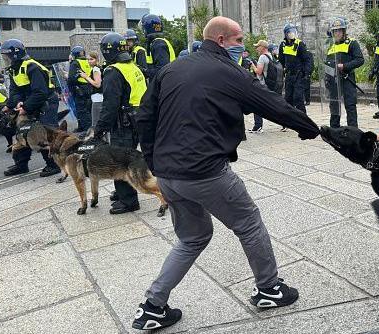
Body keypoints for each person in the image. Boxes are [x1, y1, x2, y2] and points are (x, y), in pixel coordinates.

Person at [133, 16, 319, 330]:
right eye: (237, 41)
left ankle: (153, 306)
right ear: (221, 40)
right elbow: (271, 103)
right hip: (205, 172)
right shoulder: (230, 71)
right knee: (248, 221)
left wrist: (156, 164)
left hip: (168, 173)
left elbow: (145, 117)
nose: (242, 47)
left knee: (192, 238)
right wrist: (310, 127)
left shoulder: (170, 69)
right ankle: (269, 288)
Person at [92, 33, 147, 215]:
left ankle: (128, 201)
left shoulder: (113, 71)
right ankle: (124, 190)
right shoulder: (133, 67)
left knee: (120, 162)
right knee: (132, 157)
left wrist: (99, 129)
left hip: (123, 122)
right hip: (139, 118)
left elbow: (110, 105)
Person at [0, 39, 61, 177]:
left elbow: (40, 92)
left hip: (46, 103)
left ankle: (53, 165)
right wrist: (12, 104)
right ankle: (21, 165)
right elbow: (15, 91)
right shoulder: (14, 70)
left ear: (15, 54)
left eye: (7, 56)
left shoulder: (32, 67)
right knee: (22, 133)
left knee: (45, 134)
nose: (6, 59)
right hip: (31, 102)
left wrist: (25, 107)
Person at [325, 16, 365, 128]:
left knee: (350, 106)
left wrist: (345, 66)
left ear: (344, 31)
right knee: (334, 105)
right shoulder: (331, 46)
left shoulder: (352, 43)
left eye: (340, 30)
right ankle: (334, 130)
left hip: (347, 79)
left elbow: (360, 60)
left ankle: (353, 131)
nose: (337, 33)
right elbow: (327, 65)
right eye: (335, 31)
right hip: (334, 82)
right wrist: (326, 78)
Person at [279, 23, 312, 119]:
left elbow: (307, 60)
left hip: (298, 75)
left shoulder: (300, 44)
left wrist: (307, 73)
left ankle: (304, 119)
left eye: (293, 32)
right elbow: (281, 59)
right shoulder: (283, 45)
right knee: (288, 98)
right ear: (285, 34)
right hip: (289, 75)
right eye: (289, 32)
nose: (291, 34)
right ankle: (289, 120)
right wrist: (285, 68)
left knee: (298, 98)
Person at [139, 14, 176, 79]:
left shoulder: (158, 44)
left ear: (147, 28)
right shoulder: (159, 42)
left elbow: (161, 70)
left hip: (164, 84)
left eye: (143, 28)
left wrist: (144, 72)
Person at [248, 39, 272, 133]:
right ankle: (286, 122)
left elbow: (258, 71)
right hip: (271, 84)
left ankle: (257, 126)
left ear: (262, 47)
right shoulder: (271, 56)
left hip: (262, 84)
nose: (256, 48)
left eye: (257, 46)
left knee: (256, 104)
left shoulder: (262, 57)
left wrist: (252, 65)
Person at [67, 45, 92, 132]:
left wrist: (69, 84)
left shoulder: (75, 63)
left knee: (81, 111)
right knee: (87, 110)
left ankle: (86, 131)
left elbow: (71, 78)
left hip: (79, 89)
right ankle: (82, 127)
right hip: (89, 88)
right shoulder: (87, 62)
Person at [80, 52, 103, 128]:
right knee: (100, 124)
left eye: (91, 59)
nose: (89, 61)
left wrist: (86, 77)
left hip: (98, 99)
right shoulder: (97, 68)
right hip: (98, 98)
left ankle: (99, 139)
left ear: (96, 60)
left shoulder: (96, 69)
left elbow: (97, 84)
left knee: (96, 124)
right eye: (88, 59)